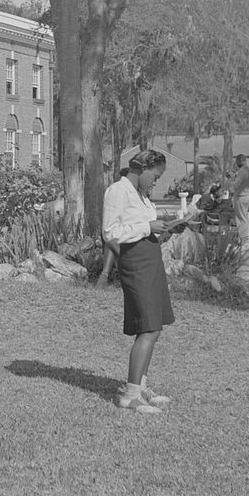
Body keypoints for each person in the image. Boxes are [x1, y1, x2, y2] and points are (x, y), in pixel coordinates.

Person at [101, 149, 175, 415]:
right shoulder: (118, 191)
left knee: (154, 326)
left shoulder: (141, 196)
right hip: (135, 264)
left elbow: (140, 227)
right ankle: (130, 396)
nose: (156, 182)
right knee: (147, 327)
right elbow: (109, 232)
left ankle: (141, 386)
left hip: (150, 259)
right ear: (142, 169)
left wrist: (160, 230)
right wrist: (147, 228)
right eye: (155, 176)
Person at [227, 154, 249, 246]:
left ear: (239, 161)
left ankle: (243, 240)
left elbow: (235, 185)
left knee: (240, 219)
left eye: (236, 162)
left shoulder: (242, 171)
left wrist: (231, 178)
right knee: (244, 218)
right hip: (246, 196)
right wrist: (235, 175)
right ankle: (244, 238)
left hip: (240, 196)